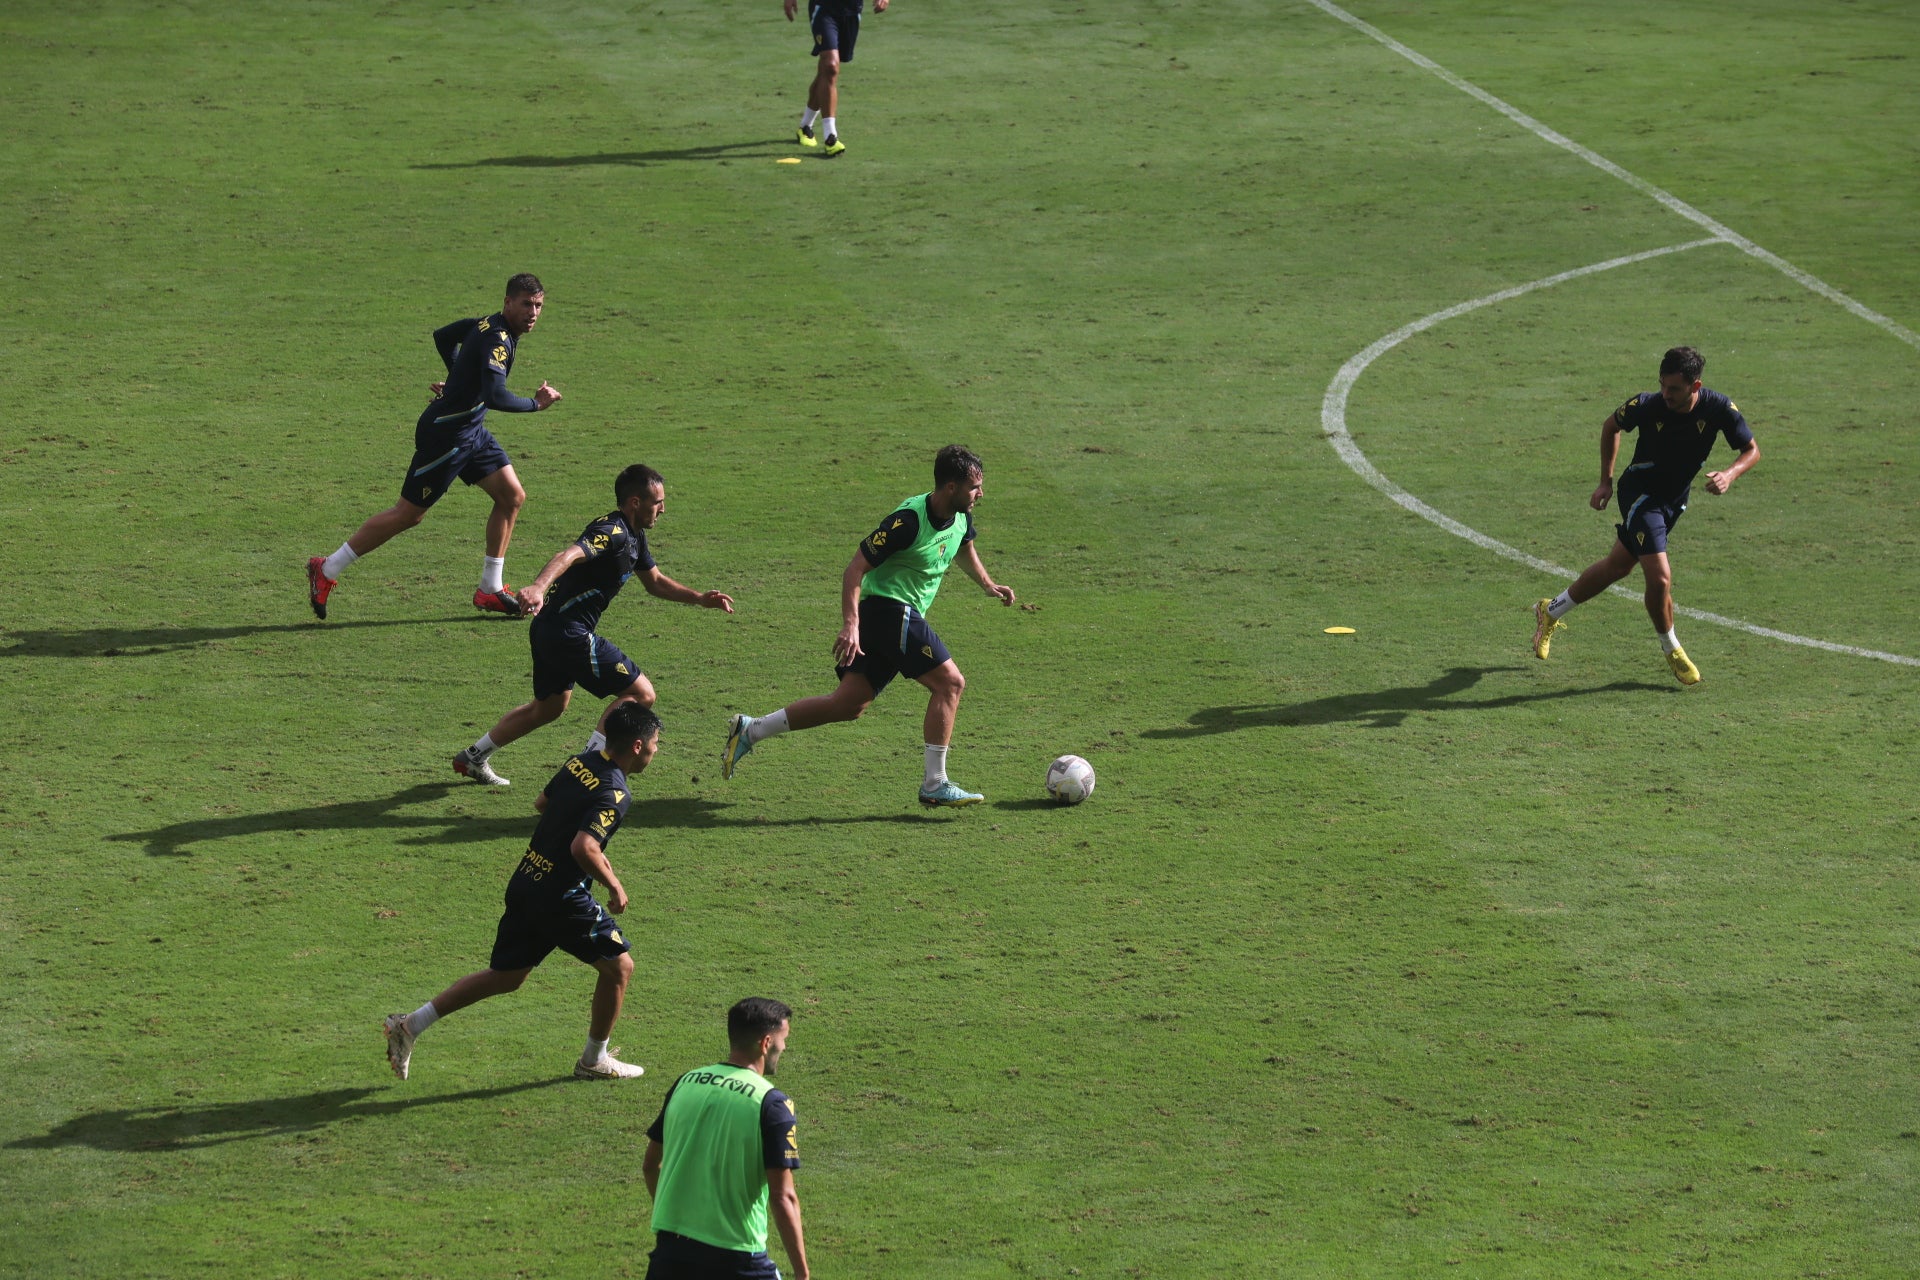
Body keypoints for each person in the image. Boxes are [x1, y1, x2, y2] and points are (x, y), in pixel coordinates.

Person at [382, 702, 662, 1082]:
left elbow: (542, 803)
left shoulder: (580, 762)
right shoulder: (616, 792)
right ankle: (593, 1060)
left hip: (528, 880)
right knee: (619, 968)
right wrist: (613, 883)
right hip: (561, 896)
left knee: (506, 977)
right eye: (654, 744)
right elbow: (583, 847)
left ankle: (410, 1025)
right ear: (636, 746)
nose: (655, 751)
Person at [723, 444, 1015, 807]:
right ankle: (934, 783)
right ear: (951, 487)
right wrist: (851, 625)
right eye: (975, 487)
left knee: (848, 705)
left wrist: (987, 584)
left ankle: (751, 730)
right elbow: (855, 569)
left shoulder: (960, 514)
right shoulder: (906, 522)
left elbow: (962, 544)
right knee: (950, 683)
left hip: (895, 617)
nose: (981, 494)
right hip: (887, 610)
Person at [453, 464, 734, 787]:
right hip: (567, 631)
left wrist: (698, 598)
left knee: (548, 708)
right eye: (657, 502)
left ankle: (474, 756)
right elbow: (568, 555)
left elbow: (654, 582)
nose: (663, 509)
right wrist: (538, 587)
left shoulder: (635, 537)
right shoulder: (612, 532)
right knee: (641, 693)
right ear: (634, 503)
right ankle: (586, 768)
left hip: (549, 629)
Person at [308, 273, 562, 620]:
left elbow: (443, 337)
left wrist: (457, 380)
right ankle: (326, 569)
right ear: (507, 303)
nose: (533, 312)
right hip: (447, 438)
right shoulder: (498, 341)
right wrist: (536, 404)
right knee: (408, 514)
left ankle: (489, 588)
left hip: (471, 432)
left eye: (538, 306)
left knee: (511, 496)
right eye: (526, 304)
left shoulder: (486, 324)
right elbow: (495, 395)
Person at [1532, 345, 1760, 685]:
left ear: (1695, 387)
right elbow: (1611, 427)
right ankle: (1672, 648)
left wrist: (1730, 474)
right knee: (1661, 578)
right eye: (1663, 385)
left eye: (1675, 389)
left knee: (1617, 567)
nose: (1665, 394)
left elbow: (1751, 450)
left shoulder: (1719, 408)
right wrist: (1605, 481)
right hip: (1639, 495)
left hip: (1673, 501)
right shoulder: (1648, 405)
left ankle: (1549, 612)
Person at [642, 998, 808, 1280]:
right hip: (737, 1258)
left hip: (671, 1253)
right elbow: (783, 1197)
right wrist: (802, 1274)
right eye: (783, 1040)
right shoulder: (771, 1103)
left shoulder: (686, 1083)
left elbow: (650, 1165)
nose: (785, 1047)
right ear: (765, 1043)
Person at [785, 0, 890, 158]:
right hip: (824, 8)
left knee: (826, 72)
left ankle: (806, 125)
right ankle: (830, 137)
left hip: (852, 10)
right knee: (831, 66)